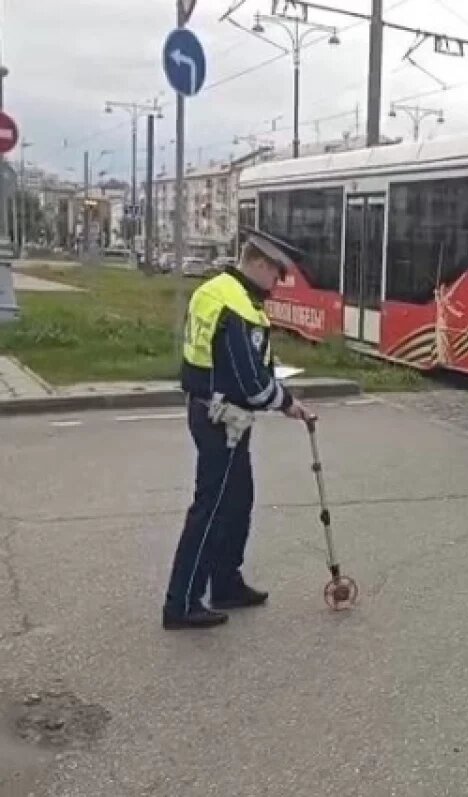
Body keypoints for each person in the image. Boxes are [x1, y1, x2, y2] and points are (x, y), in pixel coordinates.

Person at [162, 227, 315, 630]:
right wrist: (287, 403)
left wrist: (276, 393)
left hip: (212, 409)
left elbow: (239, 366)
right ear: (259, 264)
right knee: (212, 509)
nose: (279, 282)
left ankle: (226, 582)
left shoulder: (215, 290)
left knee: (237, 500)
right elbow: (251, 382)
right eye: (277, 273)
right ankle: (181, 602)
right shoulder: (238, 307)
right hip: (221, 418)